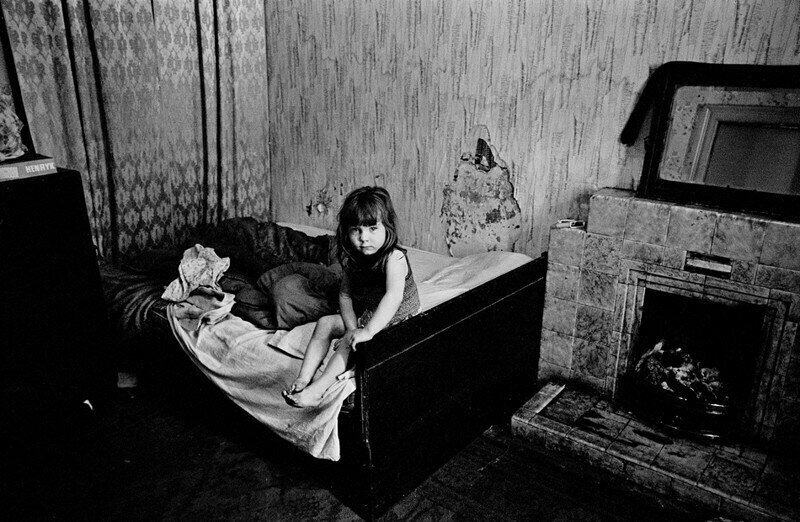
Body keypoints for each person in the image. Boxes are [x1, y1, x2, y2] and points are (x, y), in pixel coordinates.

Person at [283, 186, 420, 408]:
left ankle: (318, 390)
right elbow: (345, 295)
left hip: (397, 319)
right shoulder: (353, 259)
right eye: (356, 230)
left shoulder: (394, 258)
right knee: (325, 323)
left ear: (388, 228)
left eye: (373, 228)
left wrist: (366, 332)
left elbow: (393, 297)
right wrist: (351, 327)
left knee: (349, 343)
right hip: (369, 314)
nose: (364, 238)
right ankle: (303, 379)